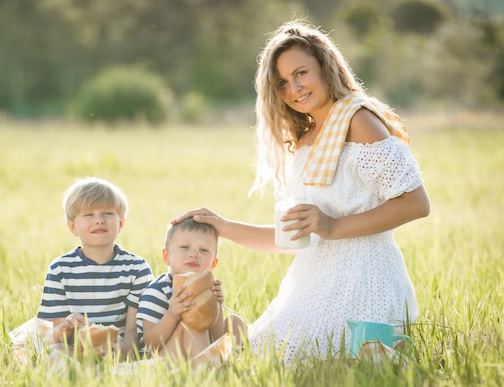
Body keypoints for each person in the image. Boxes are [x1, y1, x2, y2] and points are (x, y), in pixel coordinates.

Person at [173, 19, 430, 363]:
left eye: (300, 73)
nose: (293, 87)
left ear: (325, 67)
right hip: (313, 283)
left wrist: (333, 227)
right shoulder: (307, 138)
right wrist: (222, 226)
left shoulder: (359, 120)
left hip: (364, 280)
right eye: (282, 82)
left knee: (305, 358)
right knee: (250, 356)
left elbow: (416, 203)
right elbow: (291, 239)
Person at [37, 177, 153, 359]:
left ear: (121, 223)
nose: (99, 220)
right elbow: (57, 337)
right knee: (57, 353)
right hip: (76, 350)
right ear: (73, 227)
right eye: (88, 214)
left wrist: (121, 351)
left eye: (107, 213)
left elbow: (134, 333)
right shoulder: (60, 269)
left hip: (120, 350)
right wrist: (66, 327)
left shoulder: (137, 268)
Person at [136, 217, 247, 359]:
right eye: (185, 247)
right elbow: (150, 344)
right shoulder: (157, 291)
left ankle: (234, 363)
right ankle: (208, 372)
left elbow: (216, 337)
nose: (194, 254)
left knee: (235, 322)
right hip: (162, 358)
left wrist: (217, 306)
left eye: (204, 250)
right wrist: (171, 315)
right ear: (166, 256)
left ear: (213, 263)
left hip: (201, 350)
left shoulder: (208, 289)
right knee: (192, 327)